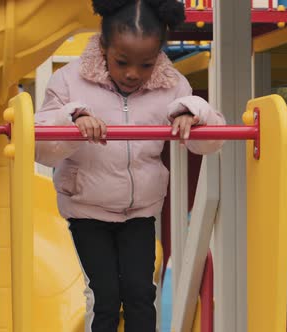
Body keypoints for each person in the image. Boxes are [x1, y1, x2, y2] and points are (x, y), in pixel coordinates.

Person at [34, 0, 225, 330]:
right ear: (104, 46)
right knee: (105, 296)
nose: (133, 74)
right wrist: (73, 119)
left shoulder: (171, 85)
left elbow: (211, 141)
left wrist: (193, 113)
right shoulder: (69, 81)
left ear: (158, 57)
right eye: (122, 62)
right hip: (87, 210)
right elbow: (41, 147)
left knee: (140, 293)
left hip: (139, 212)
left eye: (146, 65)